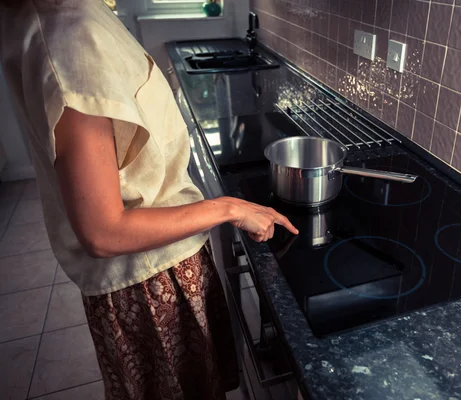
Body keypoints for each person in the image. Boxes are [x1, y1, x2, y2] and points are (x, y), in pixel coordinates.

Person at [0, 1, 298, 399]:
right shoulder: (70, 33)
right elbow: (103, 231)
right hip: (149, 285)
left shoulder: (78, 16)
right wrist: (231, 207)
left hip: (161, 267)